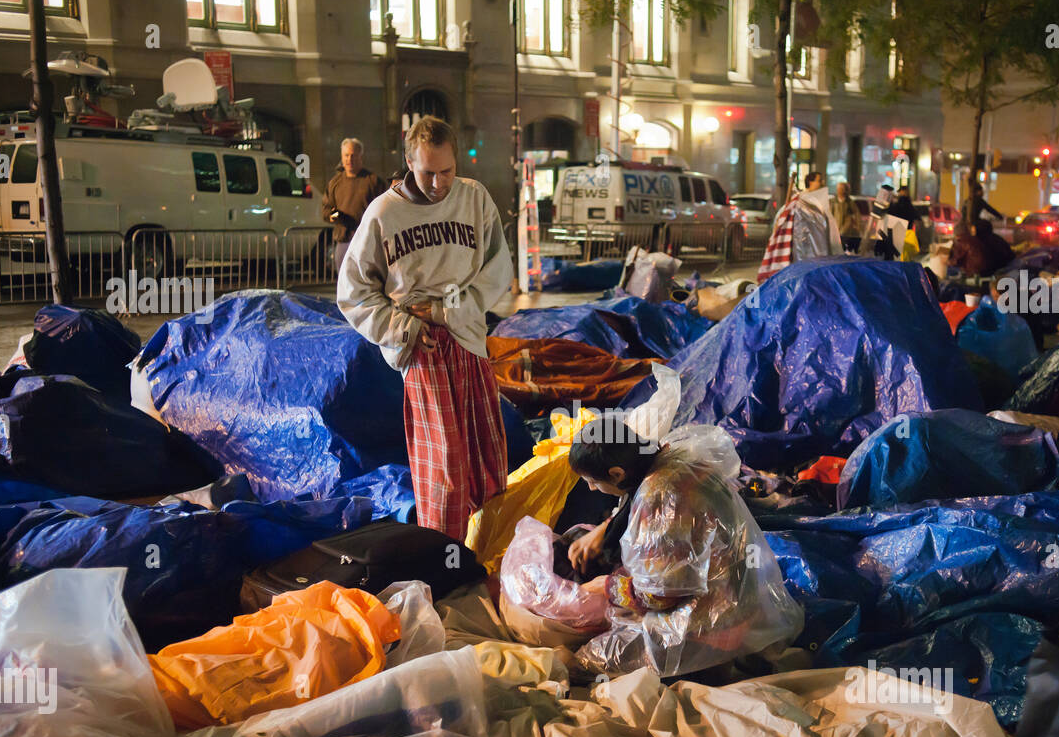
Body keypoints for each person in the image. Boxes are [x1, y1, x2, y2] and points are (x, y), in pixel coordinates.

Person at [338, 116, 513, 541]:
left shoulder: (474, 198)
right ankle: (443, 561)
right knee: (446, 468)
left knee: (488, 455)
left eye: (447, 171)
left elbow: (498, 268)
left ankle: (488, 553)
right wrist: (402, 327)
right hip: (424, 351)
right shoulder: (384, 213)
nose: (438, 183)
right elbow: (353, 291)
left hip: (467, 339)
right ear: (408, 163)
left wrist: (445, 310)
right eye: (427, 172)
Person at [566, 416, 803, 676]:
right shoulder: (671, 456)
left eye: (592, 481)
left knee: (584, 662)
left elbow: (660, 596)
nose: (590, 488)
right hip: (742, 595)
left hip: (712, 626)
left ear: (616, 474)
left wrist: (606, 586)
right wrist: (606, 528)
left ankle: (712, 667)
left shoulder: (659, 498)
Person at [322, 138, 388, 272]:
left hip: (367, 242)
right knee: (344, 281)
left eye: (353, 155)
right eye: (346, 155)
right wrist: (336, 216)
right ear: (342, 157)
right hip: (344, 241)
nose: (349, 159)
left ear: (361, 157)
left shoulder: (373, 181)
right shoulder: (335, 183)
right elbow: (326, 210)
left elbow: (384, 208)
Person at [948, 218, 1014, 278]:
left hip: (988, 271)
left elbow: (978, 262)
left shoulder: (972, 241)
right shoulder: (993, 238)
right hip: (1002, 267)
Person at [830, 180, 862, 252]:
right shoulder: (832, 202)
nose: (840, 191)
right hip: (835, 229)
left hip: (846, 231)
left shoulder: (850, 202)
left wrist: (858, 227)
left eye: (842, 189)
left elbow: (857, 216)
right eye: (839, 189)